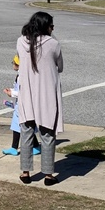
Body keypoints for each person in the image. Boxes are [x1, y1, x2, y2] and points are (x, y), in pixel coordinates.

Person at [15, 11, 63, 186]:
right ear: (46, 26)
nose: (53, 28)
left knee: (26, 132)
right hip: (47, 94)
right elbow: (60, 66)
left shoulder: (21, 41)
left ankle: (25, 172)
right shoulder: (54, 44)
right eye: (51, 25)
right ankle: (49, 175)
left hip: (27, 93)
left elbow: (19, 61)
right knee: (48, 134)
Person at [2, 54, 39, 156]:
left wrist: (12, 93)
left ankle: (34, 146)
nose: (13, 64)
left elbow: (23, 92)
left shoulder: (22, 76)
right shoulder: (22, 75)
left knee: (24, 126)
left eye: (13, 63)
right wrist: (12, 91)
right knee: (18, 126)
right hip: (21, 104)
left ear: (18, 64)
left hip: (23, 105)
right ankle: (16, 147)